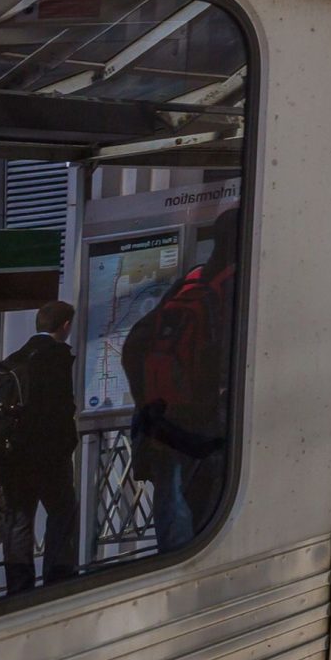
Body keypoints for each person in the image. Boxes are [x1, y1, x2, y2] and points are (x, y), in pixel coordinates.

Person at [124, 215, 238, 553]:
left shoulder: (191, 281)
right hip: (208, 429)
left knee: (174, 521)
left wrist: (152, 404)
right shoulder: (237, 285)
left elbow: (134, 345)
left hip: (168, 426)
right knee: (210, 529)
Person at [0, 300, 80, 591]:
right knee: (62, 510)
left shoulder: (12, 359)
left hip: (11, 456)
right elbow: (60, 409)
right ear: (65, 326)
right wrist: (67, 444)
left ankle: (18, 582)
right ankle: (58, 573)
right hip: (47, 455)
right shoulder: (56, 357)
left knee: (19, 517)